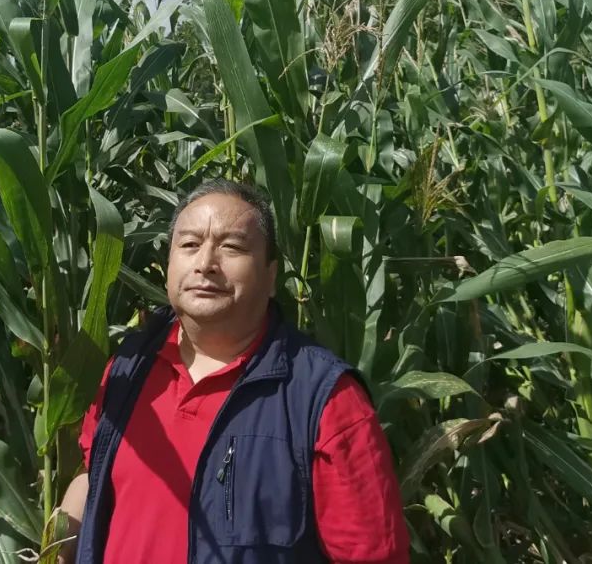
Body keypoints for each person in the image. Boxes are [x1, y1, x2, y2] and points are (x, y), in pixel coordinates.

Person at [58, 179, 410, 563]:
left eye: (232, 247)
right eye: (189, 244)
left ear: (271, 276)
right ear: (168, 264)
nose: (205, 263)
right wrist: (58, 544)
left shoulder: (326, 399)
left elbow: (374, 555)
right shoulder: (128, 369)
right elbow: (93, 476)